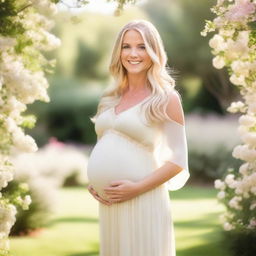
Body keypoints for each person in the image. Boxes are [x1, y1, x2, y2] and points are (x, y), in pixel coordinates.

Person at [87, 19, 190, 256]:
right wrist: (95, 182)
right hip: (111, 204)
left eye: (142, 46)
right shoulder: (110, 97)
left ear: (154, 51)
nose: (133, 53)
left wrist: (136, 188)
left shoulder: (166, 98)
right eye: (126, 46)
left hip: (144, 199)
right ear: (118, 52)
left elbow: (178, 159)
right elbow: (105, 145)